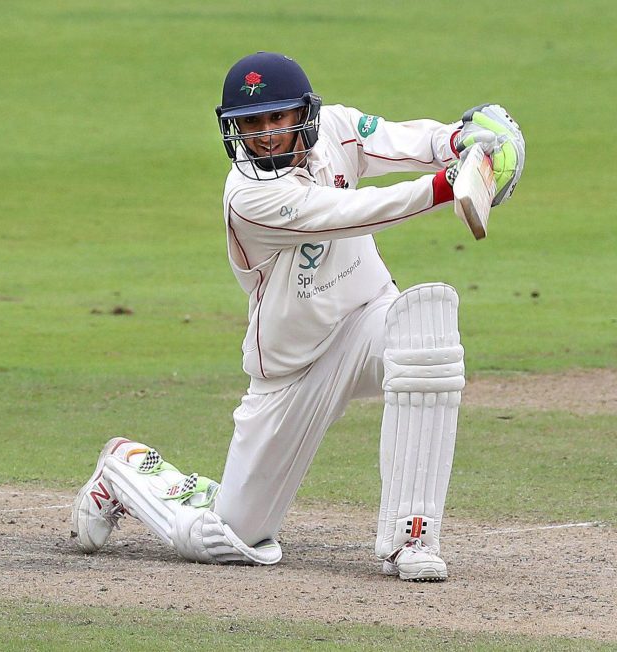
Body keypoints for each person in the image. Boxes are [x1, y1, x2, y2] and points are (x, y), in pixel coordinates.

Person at [70, 51, 524, 581]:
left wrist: (464, 141)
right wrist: (449, 186)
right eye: (252, 122)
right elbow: (352, 214)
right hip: (293, 368)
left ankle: (412, 537)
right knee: (229, 537)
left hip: (366, 321)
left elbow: (406, 141)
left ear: (303, 113)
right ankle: (127, 472)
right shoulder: (248, 197)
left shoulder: (335, 128)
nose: (265, 134)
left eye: (278, 117)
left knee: (428, 326)